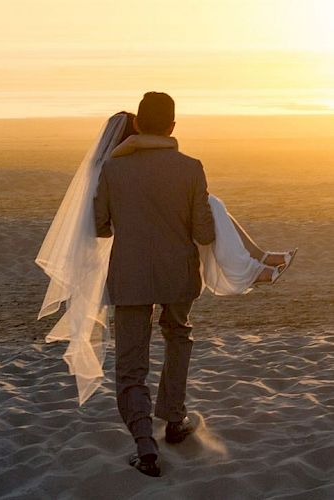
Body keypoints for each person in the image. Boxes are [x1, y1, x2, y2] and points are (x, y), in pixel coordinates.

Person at [36, 93, 296, 478]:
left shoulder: (112, 170)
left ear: (138, 124)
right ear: (173, 127)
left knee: (131, 365)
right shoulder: (191, 168)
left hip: (131, 276)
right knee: (178, 337)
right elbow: (204, 231)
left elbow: (100, 226)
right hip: (178, 275)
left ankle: (145, 445)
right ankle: (174, 419)